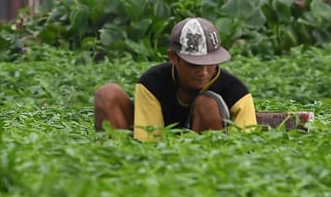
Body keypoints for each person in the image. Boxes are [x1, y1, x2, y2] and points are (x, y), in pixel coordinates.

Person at [93, 16, 256, 140]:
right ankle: (118, 168)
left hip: (211, 165)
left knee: (207, 104)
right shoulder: (152, 83)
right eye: (194, 65)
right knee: (107, 94)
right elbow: (150, 141)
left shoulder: (236, 92)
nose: (204, 72)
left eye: (210, 64)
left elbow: (244, 147)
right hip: (157, 160)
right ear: (173, 57)